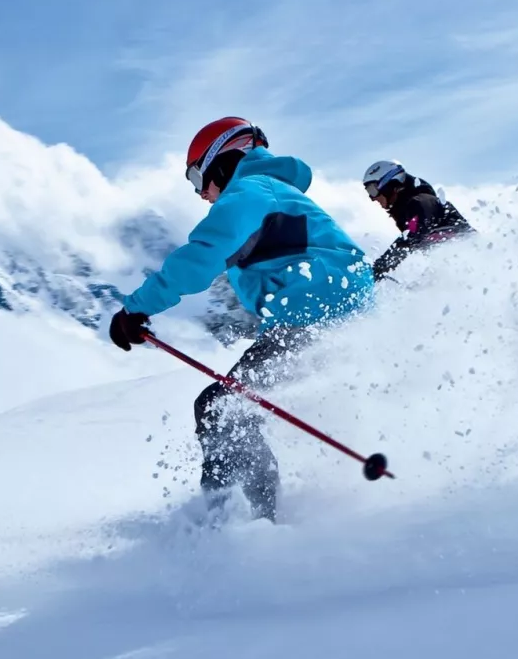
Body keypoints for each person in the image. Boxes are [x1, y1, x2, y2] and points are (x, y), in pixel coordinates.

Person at [108, 117, 373, 522]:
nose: (201, 194)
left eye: (198, 178)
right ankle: (253, 518)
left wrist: (135, 307)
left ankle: (238, 526)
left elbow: (201, 256)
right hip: (333, 320)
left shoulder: (250, 191)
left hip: (312, 318)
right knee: (233, 408)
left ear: (222, 161)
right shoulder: (273, 193)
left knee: (221, 409)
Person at [361, 160, 474, 280]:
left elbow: (412, 236)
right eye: (368, 192)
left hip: (468, 264)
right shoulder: (408, 210)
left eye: (373, 190)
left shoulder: (420, 203)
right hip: (455, 265)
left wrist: (380, 268)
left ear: (390, 184)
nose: (372, 198)